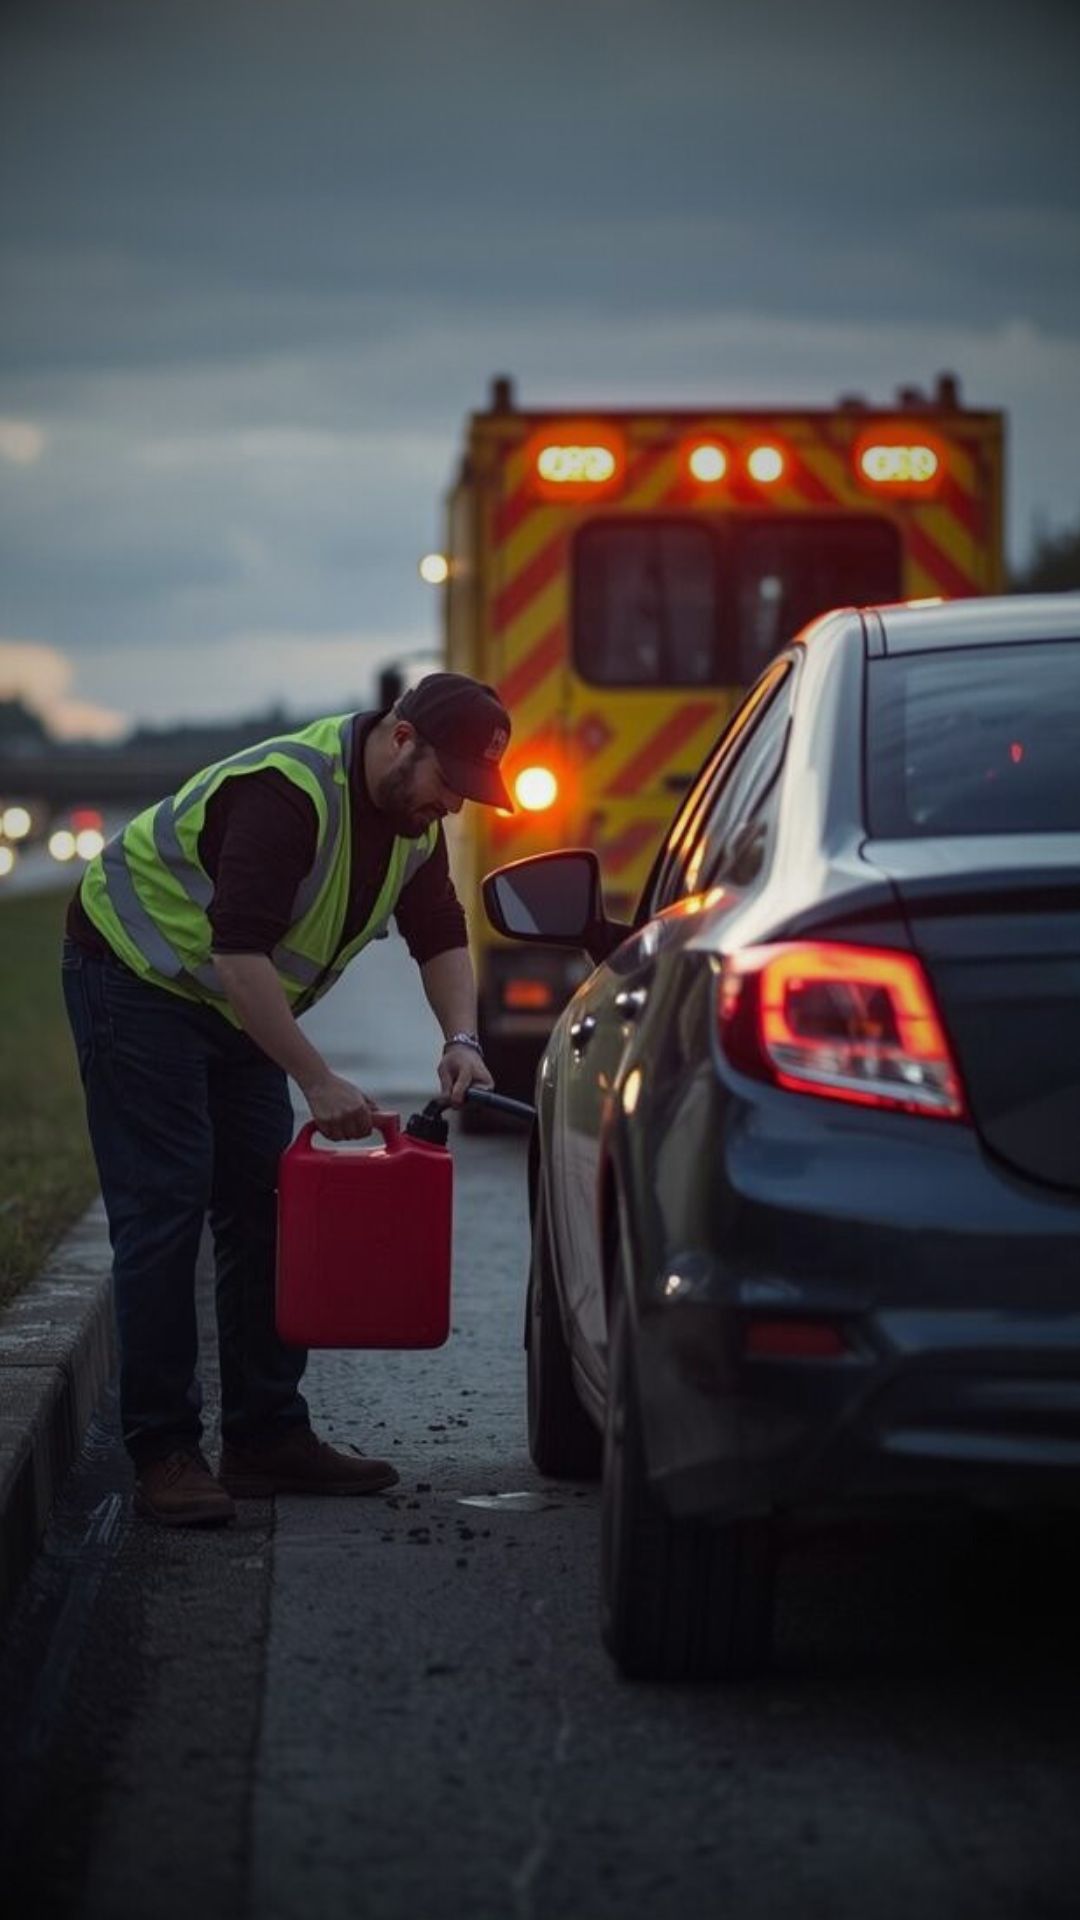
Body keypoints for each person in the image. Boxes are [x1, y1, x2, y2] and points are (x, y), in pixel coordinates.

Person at [62, 672, 511, 1528]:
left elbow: (441, 935)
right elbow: (239, 957)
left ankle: (266, 1437)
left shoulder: (414, 826)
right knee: (167, 1201)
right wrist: (317, 1079)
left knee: (264, 1205)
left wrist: (462, 1040)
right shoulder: (289, 794)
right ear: (403, 739)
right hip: (134, 979)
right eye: (449, 784)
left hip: (229, 1003)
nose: (452, 806)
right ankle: (164, 1451)